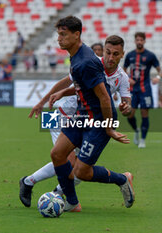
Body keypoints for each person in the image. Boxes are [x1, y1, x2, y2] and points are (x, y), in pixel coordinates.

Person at [22, 16, 134, 213]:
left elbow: (107, 99)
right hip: (64, 113)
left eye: (63, 35)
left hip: (94, 119)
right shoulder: (80, 58)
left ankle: (33, 183)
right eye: (59, 34)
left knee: (77, 168)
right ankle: (59, 195)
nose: (59, 39)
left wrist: (108, 127)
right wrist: (45, 100)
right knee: (59, 155)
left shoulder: (90, 63)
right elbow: (70, 83)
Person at [123, 32, 162, 148]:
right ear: (135, 41)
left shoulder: (150, 55)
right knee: (129, 115)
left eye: (141, 40)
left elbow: (160, 71)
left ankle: (143, 140)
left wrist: (158, 77)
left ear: (144, 41)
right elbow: (123, 70)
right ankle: (136, 130)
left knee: (144, 113)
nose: (139, 42)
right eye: (137, 40)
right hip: (133, 90)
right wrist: (128, 78)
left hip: (145, 89)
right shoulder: (130, 55)